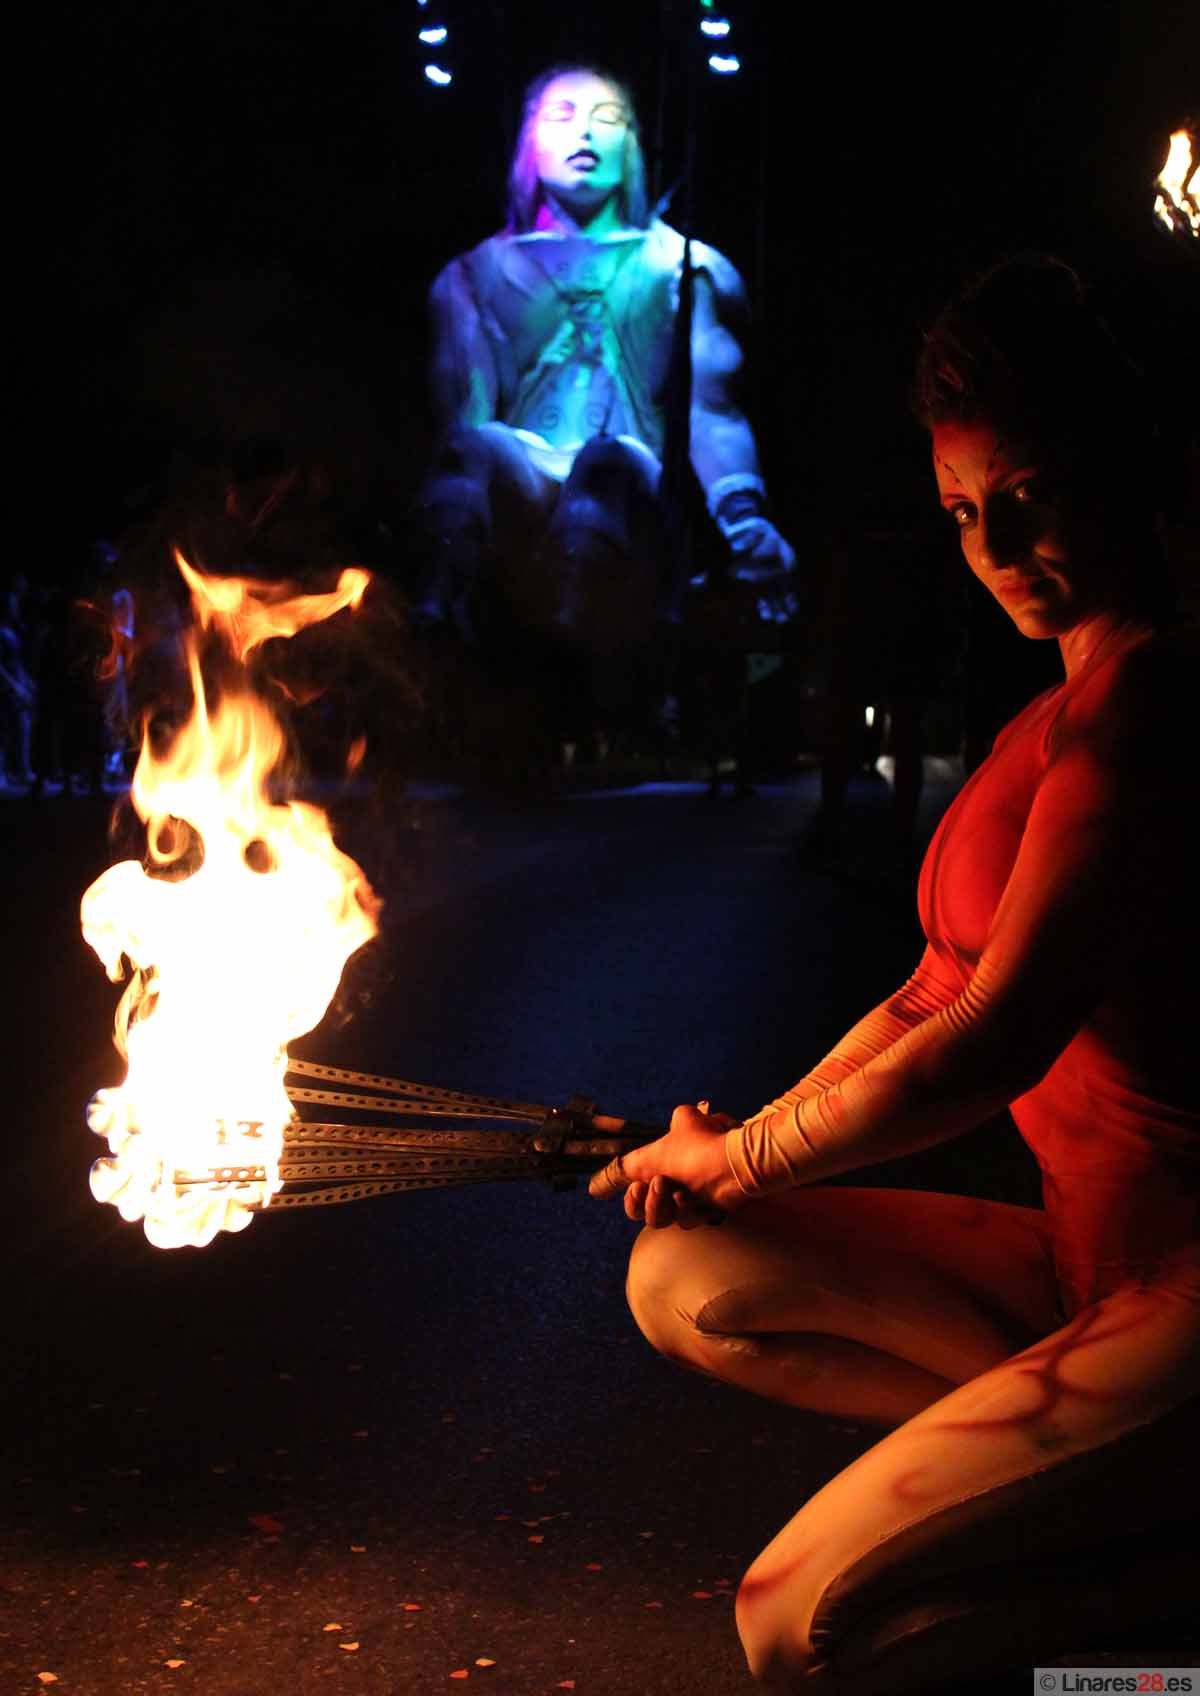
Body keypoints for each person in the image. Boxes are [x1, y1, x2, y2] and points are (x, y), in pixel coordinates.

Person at [589, 256, 1200, 1691]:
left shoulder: (1157, 706)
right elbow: (925, 996)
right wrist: (729, 1155)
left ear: (1125, 471)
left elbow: (992, 1037)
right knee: (688, 1274)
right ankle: (1109, 1514)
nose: (997, 545)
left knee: (806, 1627)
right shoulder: (1048, 720)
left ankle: (1166, 1655)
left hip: (1183, 1288)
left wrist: (751, 1159)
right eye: (965, 513)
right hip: (1081, 1274)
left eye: (1033, 493)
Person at [417, 61, 794, 671]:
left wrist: (742, 516)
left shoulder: (680, 265)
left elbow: (710, 408)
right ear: (529, 139)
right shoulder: (472, 276)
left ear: (633, 141)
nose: (585, 135)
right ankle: (437, 629)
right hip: (526, 472)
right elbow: (465, 418)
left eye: (607, 118)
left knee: (605, 465)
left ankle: (577, 666)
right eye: (561, 116)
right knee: (479, 450)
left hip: (631, 473)